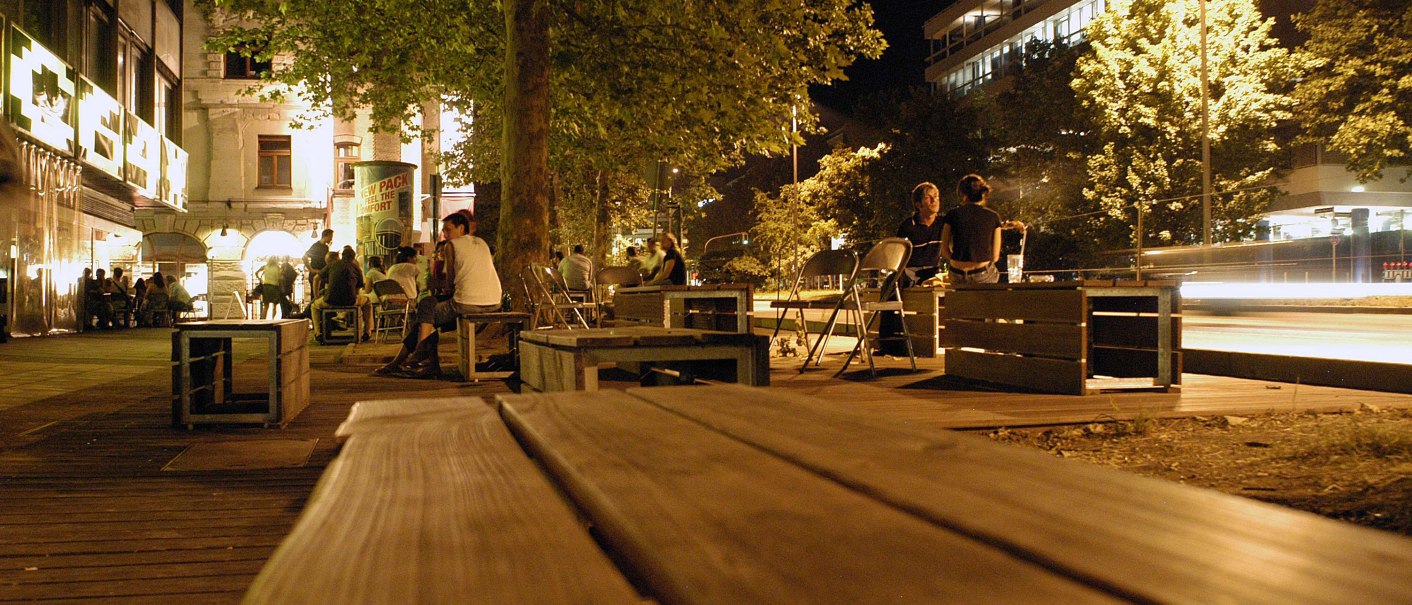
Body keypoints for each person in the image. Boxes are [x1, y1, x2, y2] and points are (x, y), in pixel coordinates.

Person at [376, 212, 501, 379]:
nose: (445, 234)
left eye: (448, 230)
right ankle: (418, 361)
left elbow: (450, 282)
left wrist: (438, 285)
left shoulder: (451, 245)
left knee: (426, 312)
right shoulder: (482, 243)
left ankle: (416, 356)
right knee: (427, 312)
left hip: (467, 302)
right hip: (494, 301)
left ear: (461, 228)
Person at [941, 174, 1007, 284]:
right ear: (984, 194)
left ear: (962, 195)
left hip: (956, 272)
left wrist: (955, 261)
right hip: (981, 273)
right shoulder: (993, 217)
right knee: (995, 274)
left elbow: (944, 249)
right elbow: (995, 256)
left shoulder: (952, 215)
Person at [311, 247, 372, 342]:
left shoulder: (332, 264)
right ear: (353, 257)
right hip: (350, 301)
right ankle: (367, 331)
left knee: (314, 306)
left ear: (342, 256)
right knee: (368, 302)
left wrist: (316, 296)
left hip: (330, 300)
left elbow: (316, 278)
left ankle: (318, 333)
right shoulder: (356, 267)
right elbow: (357, 289)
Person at [304, 229, 333, 298]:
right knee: (315, 296)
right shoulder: (316, 246)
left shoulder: (325, 247)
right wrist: (311, 269)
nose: (331, 239)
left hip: (322, 274)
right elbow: (304, 257)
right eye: (330, 237)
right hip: (316, 273)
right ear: (325, 236)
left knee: (321, 295)